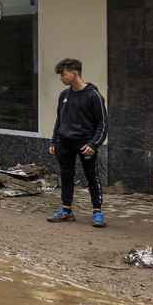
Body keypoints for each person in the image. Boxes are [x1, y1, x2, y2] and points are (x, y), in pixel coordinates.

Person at [47, 58, 108, 228]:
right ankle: (66, 210)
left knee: (91, 177)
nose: (61, 78)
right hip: (64, 143)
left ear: (74, 73)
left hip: (85, 144)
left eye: (63, 74)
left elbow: (103, 124)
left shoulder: (93, 95)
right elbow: (60, 120)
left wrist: (94, 144)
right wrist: (54, 141)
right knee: (66, 176)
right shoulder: (64, 95)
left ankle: (97, 212)